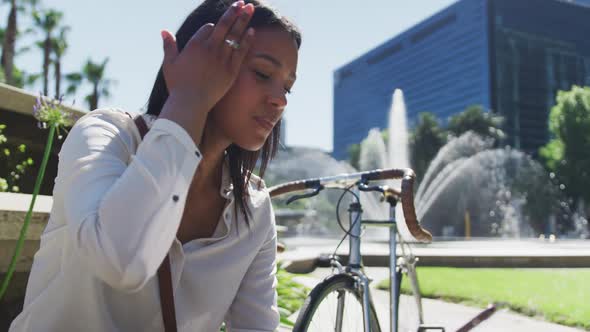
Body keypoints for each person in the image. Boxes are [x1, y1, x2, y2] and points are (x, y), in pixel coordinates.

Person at [9, 0, 300, 331]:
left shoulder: (254, 208)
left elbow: (257, 325)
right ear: (197, 59)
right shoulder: (107, 137)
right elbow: (120, 260)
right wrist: (190, 98)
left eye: (288, 86)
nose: (280, 100)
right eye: (262, 73)